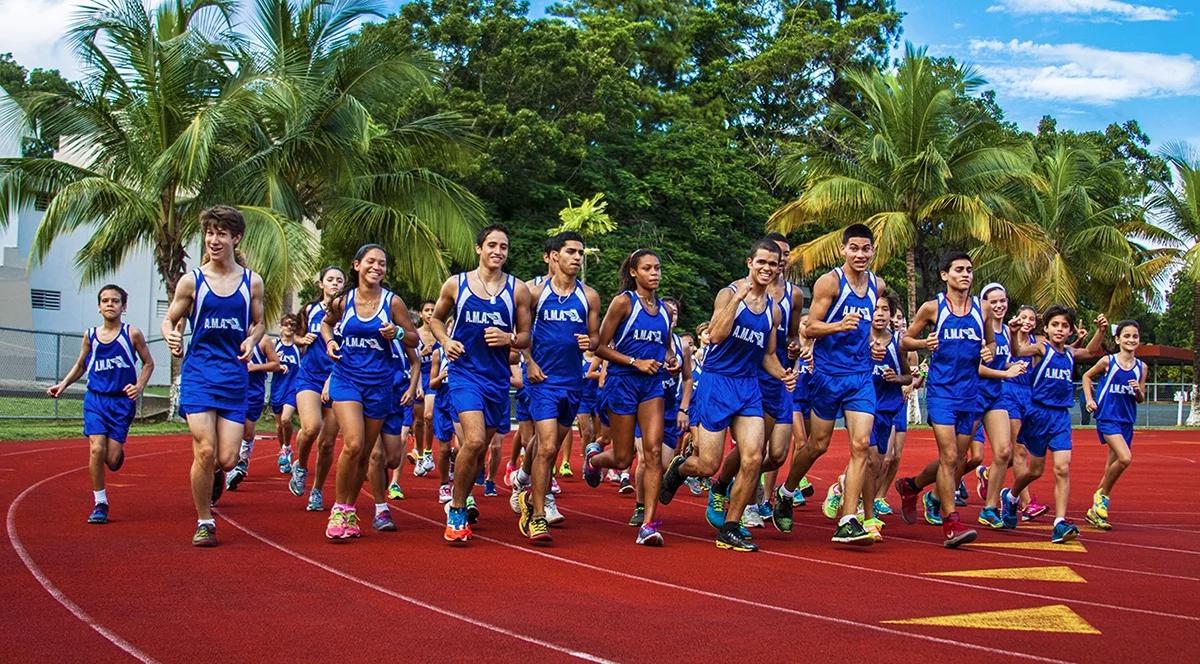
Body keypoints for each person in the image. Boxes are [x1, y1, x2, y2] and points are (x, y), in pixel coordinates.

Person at [660, 239, 795, 552]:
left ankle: (731, 526)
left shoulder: (773, 311)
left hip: (748, 387)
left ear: (778, 268)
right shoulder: (729, 293)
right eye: (761, 262)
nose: (766, 268)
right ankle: (681, 468)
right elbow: (717, 336)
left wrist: (782, 374)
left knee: (753, 456)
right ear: (749, 263)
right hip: (717, 383)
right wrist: (739, 299)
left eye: (772, 264)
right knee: (707, 464)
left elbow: (768, 354)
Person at [773, 224, 885, 545]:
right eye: (854, 249)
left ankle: (848, 519)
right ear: (843, 250)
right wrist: (838, 325)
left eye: (866, 249)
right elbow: (809, 328)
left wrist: (876, 342)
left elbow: (872, 328)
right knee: (817, 445)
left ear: (872, 250)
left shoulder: (877, 285)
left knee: (861, 445)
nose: (860, 255)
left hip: (861, 377)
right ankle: (787, 490)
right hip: (827, 376)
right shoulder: (830, 282)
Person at [161, 205, 265, 547]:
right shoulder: (192, 281)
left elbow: (260, 322)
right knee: (205, 451)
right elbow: (170, 318)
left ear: (236, 238)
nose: (213, 240)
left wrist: (252, 339)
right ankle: (205, 521)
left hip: (234, 377)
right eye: (209, 233)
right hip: (200, 374)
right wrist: (171, 334)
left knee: (227, 458)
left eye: (221, 233)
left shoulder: (252, 282)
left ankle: (213, 477)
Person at [430, 226, 532, 544]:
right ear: (479, 249)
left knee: (478, 449)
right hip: (463, 374)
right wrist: (446, 340)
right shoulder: (456, 284)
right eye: (492, 245)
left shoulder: (517, 290)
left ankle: (463, 491)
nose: (498, 251)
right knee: (473, 442)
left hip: (497, 379)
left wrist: (509, 338)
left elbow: (527, 336)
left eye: (503, 246)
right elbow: (435, 318)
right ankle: (457, 509)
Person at [320, 244, 420, 541]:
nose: (377, 267)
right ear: (356, 265)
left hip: (380, 384)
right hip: (347, 378)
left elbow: (414, 338)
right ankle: (338, 509)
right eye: (371, 262)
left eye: (382, 264)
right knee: (353, 443)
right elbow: (327, 325)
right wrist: (329, 343)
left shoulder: (393, 303)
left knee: (364, 452)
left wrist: (398, 334)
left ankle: (350, 509)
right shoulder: (343, 301)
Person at [582, 249, 674, 545]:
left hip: (652, 386)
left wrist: (670, 359)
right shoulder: (624, 302)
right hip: (623, 383)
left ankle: (649, 524)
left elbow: (665, 346)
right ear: (634, 272)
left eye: (657, 268)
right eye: (647, 268)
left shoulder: (664, 311)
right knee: (623, 459)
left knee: (654, 452)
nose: (654, 273)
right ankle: (595, 460)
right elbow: (599, 346)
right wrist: (635, 362)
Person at [514, 232, 601, 544]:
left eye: (580, 253)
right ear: (554, 256)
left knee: (545, 447)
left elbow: (596, 338)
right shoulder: (535, 294)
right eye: (570, 252)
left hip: (572, 383)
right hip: (542, 382)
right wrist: (529, 362)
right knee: (548, 447)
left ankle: (526, 488)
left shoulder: (588, 296)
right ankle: (539, 515)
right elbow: (520, 334)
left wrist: (589, 342)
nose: (577, 257)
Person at [47, 284, 154, 524]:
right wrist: (62, 385)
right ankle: (100, 502)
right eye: (105, 300)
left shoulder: (132, 334)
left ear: (123, 306)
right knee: (96, 449)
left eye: (115, 301)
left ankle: (116, 455)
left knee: (112, 460)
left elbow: (148, 363)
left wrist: (139, 386)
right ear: (98, 306)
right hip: (95, 399)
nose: (109, 304)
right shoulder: (91, 336)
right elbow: (81, 365)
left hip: (121, 403)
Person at [1002, 307, 1105, 543]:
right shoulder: (1041, 348)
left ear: (1070, 331)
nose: (1059, 329)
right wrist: (1013, 331)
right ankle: (1012, 495)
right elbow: (1017, 350)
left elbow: (1090, 351)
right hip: (1037, 414)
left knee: (1062, 467)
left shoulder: (1069, 353)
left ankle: (1059, 522)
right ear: (1046, 328)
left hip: (1060, 416)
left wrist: (1100, 331)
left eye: (1064, 326)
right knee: (1036, 470)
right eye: (1055, 325)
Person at [629, 298, 693, 528]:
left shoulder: (682, 346)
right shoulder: (645, 338)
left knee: (663, 464)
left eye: (675, 313)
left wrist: (684, 409)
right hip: (646, 407)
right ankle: (641, 507)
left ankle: (650, 502)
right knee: (646, 459)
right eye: (667, 312)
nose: (671, 317)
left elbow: (688, 380)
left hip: (670, 410)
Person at [288, 267, 346, 512]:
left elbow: (351, 349)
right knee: (311, 427)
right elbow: (296, 336)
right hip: (309, 377)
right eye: (330, 280)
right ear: (321, 283)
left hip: (336, 377)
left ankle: (318, 490)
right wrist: (302, 340)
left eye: (339, 280)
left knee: (327, 443)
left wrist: (333, 378)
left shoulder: (347, 311)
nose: (334, 284)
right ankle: (300, 466)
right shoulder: (310, 309)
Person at [971, 283, 1028, 528]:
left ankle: (990, 507)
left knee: (1005, 451)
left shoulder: (1005, 331)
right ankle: (937, 496)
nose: (999, 305)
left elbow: (1005, 361)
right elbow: (977, 368)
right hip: (973, 395)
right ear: (984, 304)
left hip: (996, 396)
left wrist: (1012, 369)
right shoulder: (976, 329)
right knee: (958, 456)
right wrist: (1006, 374)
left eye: (1002, 301)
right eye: (993, 302)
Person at [1082, 319, 1144, 530]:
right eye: (1126, 336)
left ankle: (1094, 512)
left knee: (1111, 466)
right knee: (1125, 458)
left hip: (1127, 420)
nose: (1131, 340)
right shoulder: (1108, 361)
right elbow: (1086, 376)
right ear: (1118, 339)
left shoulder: (1141, 367)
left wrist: (1137, 391)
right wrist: (1090, 400)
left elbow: (1141, 398)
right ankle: (1102, 496)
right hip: (1107, 417)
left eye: (1135, 336)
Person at [368, 336, 421, 530]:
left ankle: (373, 470)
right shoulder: (366, 334)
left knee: (392, 459)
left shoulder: (400, 336)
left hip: (396, 399)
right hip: (372, 396)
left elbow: (416, 362)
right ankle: (381, 509)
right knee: (376, 455)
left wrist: (412, 387)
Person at [226, 333, 281, 490]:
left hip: (254, 392)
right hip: (234, 390)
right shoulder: (235, 334)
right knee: (234, 430)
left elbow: (275, 364)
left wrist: (255, 367)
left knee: (248, 433)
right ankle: (234, 467)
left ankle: (243, 461)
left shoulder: (264, 340)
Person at [269, 315, 301, 472]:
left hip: (292, 388)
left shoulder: (299, 347)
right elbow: (266, 365)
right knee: (279, 425)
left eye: (293, 325)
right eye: (286, 324)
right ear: (280, 327)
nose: (289, 327)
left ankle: (287, 447)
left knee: (286, 419)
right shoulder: (274, 345)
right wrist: (277, 365)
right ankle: (284, 451)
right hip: (277, 388)